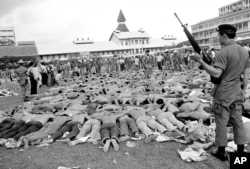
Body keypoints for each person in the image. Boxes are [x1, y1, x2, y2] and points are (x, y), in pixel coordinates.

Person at [190, 24, 250, 161]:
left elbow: (217, 73)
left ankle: (221, 151)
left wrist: (201, 61)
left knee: (221, 122)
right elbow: (246, 76)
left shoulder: (223, 52)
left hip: (223, 92)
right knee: (237, 121)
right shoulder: (244, 51)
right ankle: (240, 152)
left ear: (224, 35)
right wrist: (242, 91)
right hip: (237, 91)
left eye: (218, 36)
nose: (218, 38)